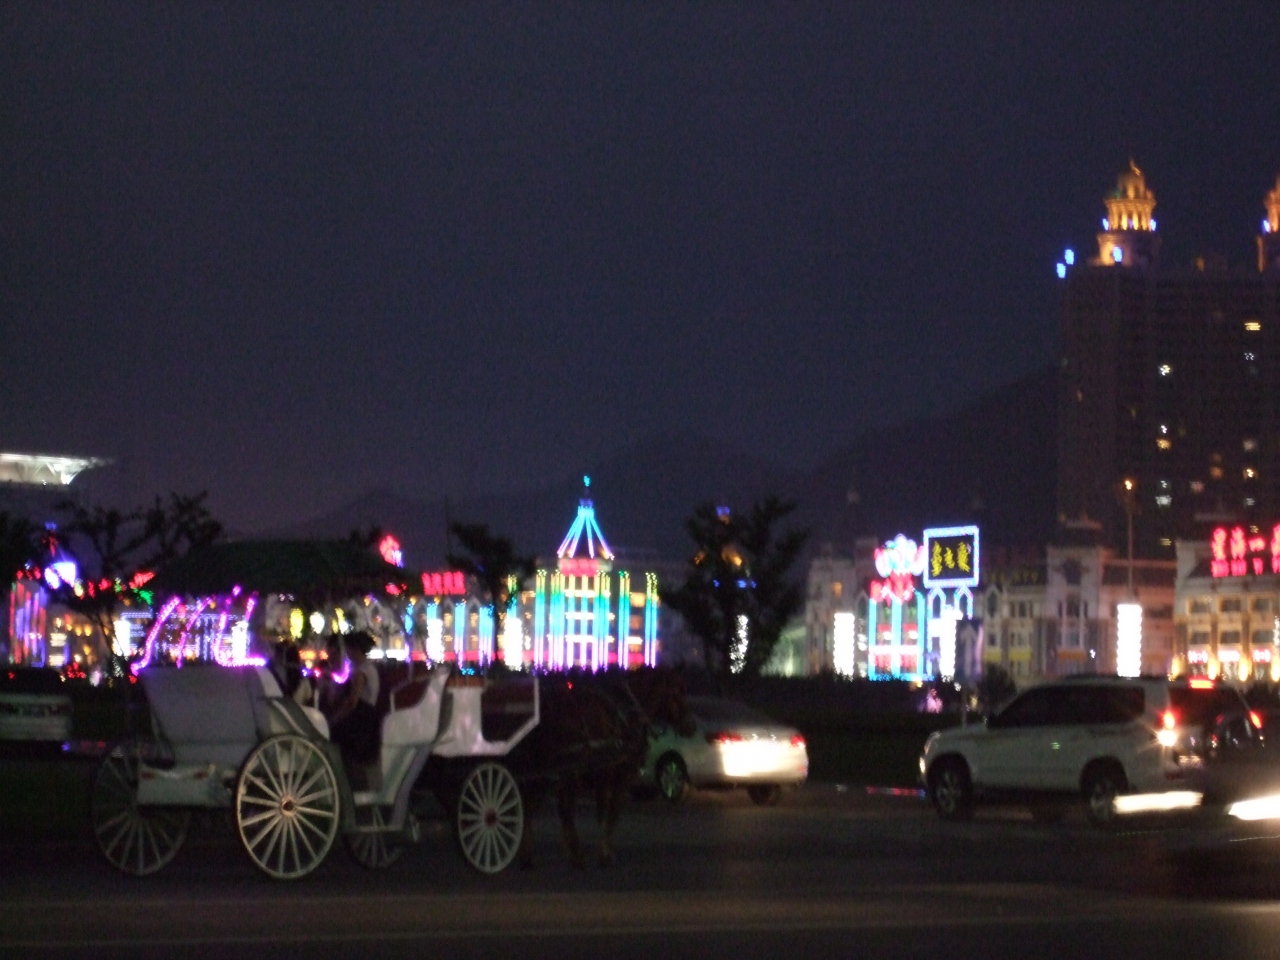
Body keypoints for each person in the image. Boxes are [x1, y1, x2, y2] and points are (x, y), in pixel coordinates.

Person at [327, 631, 381, 784]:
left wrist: (335, 718)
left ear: (355, 650)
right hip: (368, 717)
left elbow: (352, 701)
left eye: (348, 650)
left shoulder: (360, 672)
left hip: (361, 718)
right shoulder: (369, 668)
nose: (347, 654)